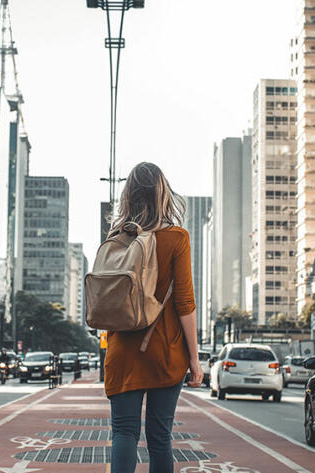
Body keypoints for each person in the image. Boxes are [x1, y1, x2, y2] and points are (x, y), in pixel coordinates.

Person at [104, 162, 202, 473]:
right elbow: (185, 303)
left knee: (123, 433)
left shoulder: (117, 238)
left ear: (128, 196)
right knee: (160, 437)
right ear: (162, 194)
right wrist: (195, 361)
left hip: (123, 353)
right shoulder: (177, 238)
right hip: (165, 353)